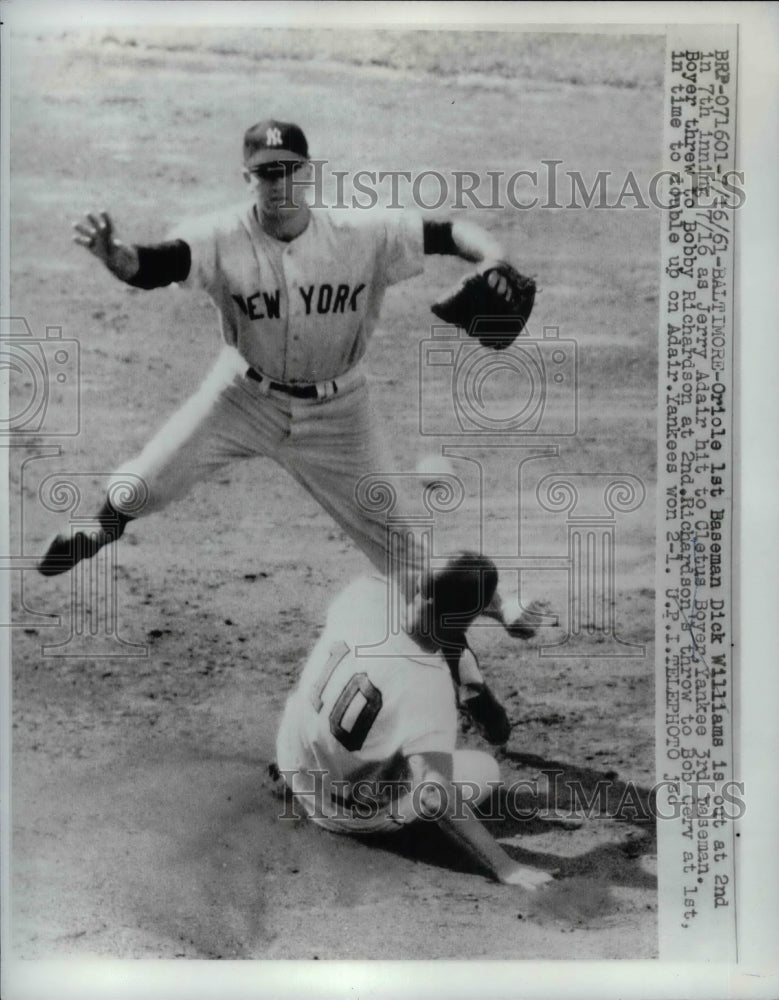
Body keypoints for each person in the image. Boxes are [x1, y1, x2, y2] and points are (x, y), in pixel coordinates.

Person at [37, 118, 511, 603]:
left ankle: (473, 642)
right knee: (146, 482)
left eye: (289, 170)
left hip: (340, 414)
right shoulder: (220, 236)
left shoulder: (363, 232)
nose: (280, 183)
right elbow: (155, 265)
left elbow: (451, 234)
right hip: (243, 397)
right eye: (267, 174)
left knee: (406, 554)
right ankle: (97, 530)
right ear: (248, 180)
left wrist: (492, 259)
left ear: (308, 173)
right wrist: (115, 256)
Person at [275, 551, 555, 890]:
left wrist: (494, 608)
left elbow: (420, 577)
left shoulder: (363, 596)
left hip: (296, 765)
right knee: (484, 770)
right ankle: (467, 676)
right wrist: (506, 867)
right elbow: (434, 797)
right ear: (468, 619)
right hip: (343, 814)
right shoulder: (429, 687)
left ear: (422, 584)